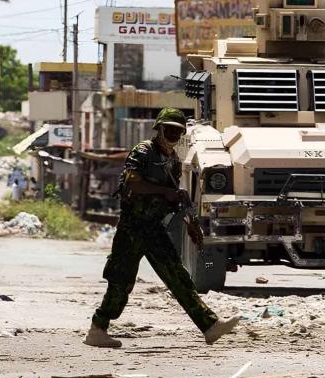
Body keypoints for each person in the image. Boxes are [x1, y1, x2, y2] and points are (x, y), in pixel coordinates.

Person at [86, 108, 240, 348]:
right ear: (158, 129)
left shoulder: (174, 161)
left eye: (178, 131)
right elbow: (132, 183)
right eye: (168, 129)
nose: (173, 135)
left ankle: (209, 326)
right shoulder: (144, 151)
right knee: (121, 281)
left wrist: (191, 223)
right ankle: (98, 328)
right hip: (133, 228)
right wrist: (165, 191)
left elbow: (175, 199)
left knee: (178, 277)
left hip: (154, 229)